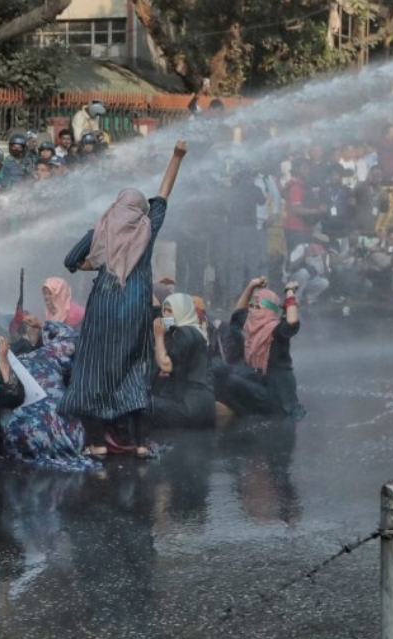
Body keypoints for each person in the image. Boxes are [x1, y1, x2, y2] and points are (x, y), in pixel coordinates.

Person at [59, 140, 187, 458]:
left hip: (104, 302)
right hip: (135, 305)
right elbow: (164, 194)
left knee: (93, 370)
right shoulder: (147, 226)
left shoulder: (102, 230)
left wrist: (98, 260)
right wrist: (176, 156)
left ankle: (97, 444)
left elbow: (71, 260)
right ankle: (141, 444)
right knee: (133, 370)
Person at [217, 277, 304, 419]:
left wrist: (289, 291)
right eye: (251, 306)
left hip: (278, 390)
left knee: (232, 381)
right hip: (259, 382)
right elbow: (238, 313)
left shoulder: (277, 330)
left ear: (269, 310)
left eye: (257, 307)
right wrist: (251, 286)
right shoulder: (251, 326)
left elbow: (292, 322)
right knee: (226, 379)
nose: (252, 310)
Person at [150, 293, 216, 429]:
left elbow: (166, 365)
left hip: (191, 406)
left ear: (182, 311)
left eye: (170, 311)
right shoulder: (192, 332)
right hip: (202, 406)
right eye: (164, 311)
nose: (165, 315)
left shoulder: (186, 332)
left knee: (140, 403)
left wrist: (158, 335)